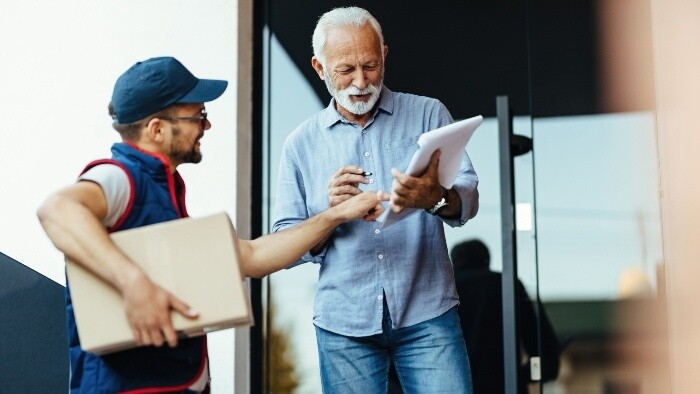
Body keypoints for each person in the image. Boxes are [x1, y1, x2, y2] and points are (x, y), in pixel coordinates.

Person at [36, 56, 384, 393]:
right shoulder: (120, 178)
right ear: (156, 128)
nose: (207, 125)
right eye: (197, 116)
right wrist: (133, 284)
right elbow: (57, 210)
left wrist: (336, 215)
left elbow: (250, 256)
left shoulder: (163, 190)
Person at [272, 7, 479, 393]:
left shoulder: (429, 114)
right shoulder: (300, 144)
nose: (361, 81)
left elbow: (467, 198)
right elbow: (285, 240)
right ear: (320, 68)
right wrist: (329, 214)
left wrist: (435, 198)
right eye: (345, 70)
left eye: (370, 65)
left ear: (384, 54)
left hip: (428, 312)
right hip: (343, 325)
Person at [450, 239, 561, 393]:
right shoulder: (506, 284)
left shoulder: (444, 289)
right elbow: (543, 350)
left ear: (454, 262)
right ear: (486, 260)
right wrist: (520, 375)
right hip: (505, 387)